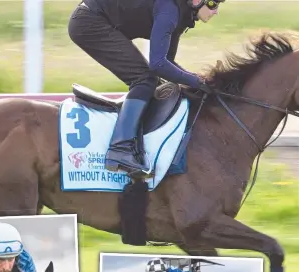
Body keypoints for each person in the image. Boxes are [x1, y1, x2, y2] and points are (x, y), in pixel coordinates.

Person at [68, 0, 222, 178]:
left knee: (151, 81)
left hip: (97, 19)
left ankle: (137, 147)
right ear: (196, 1)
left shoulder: (180, 14)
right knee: (144, 79)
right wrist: (195, 81)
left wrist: (197, 80)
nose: (216, 11)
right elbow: (157, 65)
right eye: (213, 4)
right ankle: (120, 149)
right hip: (89, 21)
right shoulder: (169, 12)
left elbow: (168, 63)